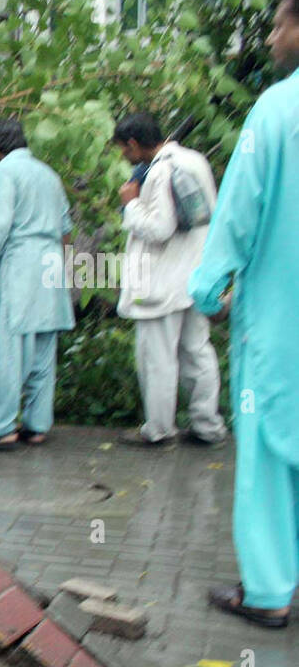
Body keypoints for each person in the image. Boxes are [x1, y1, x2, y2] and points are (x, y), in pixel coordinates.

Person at [189, 0, 299, 628]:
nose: (269, 38)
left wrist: (208, 287)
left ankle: (268, 591)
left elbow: (238, 212)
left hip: (280, 324)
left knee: (264, 449)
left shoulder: (277, 110)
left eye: (278, 25)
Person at [112, 112, 228, 448]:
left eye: (124, 149)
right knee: (196, 352)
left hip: (161, 283)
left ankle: (159, 429)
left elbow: (160, 228)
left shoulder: (161, 172)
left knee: (157, 359)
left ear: (134, 144)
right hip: (194, 277)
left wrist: (131, 205)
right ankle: (208, 426)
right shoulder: (194, 159)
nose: (124, 156)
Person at [0, 118, 74, 452]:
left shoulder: (5, 171)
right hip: (52, 262)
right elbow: (66, 229)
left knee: (7, 349)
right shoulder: (49, 175)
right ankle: (37, 425)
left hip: (23, 262)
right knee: (42, 349)